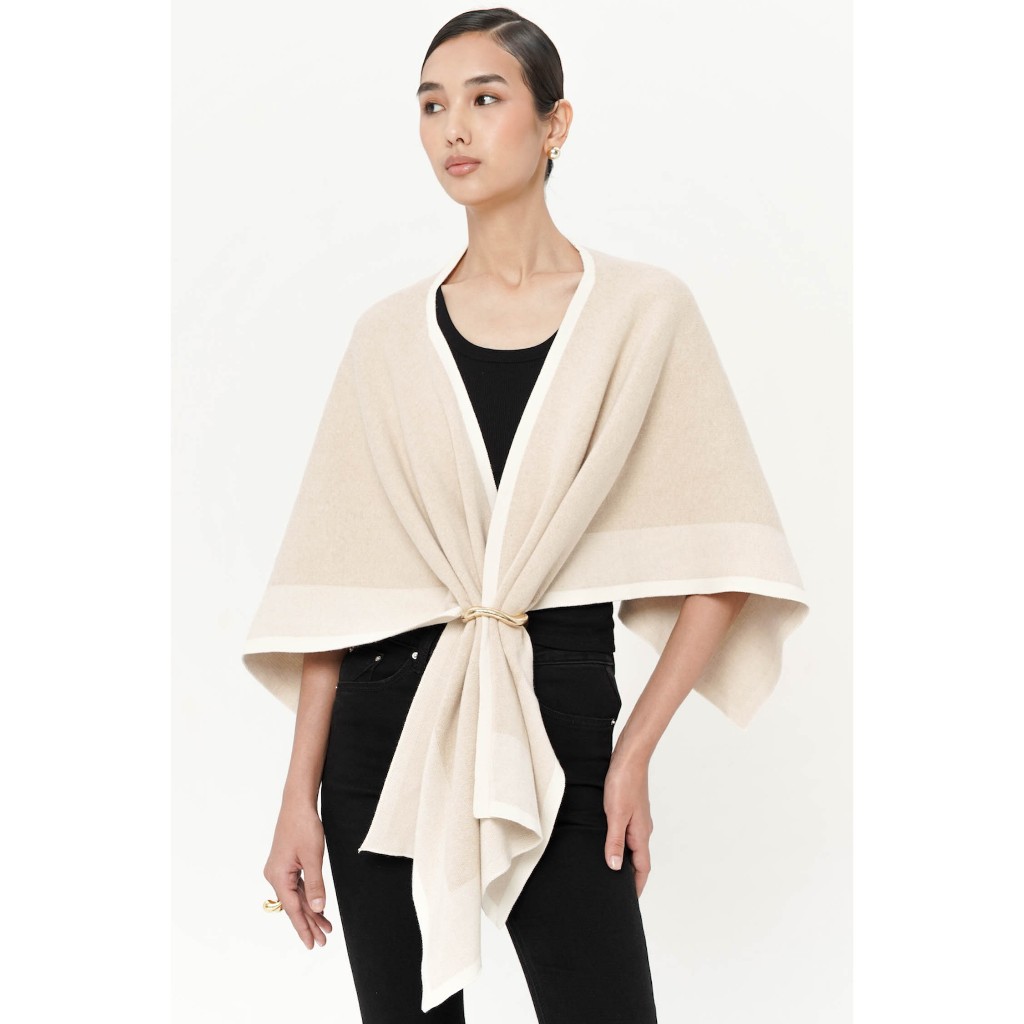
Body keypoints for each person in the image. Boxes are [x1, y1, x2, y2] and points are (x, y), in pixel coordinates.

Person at [251, 8, 808, 1023]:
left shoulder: (642, 313)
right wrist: (299, 796)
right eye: (431, 105)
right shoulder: (387, 339)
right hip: (383, 727)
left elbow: (726, 555)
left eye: (485, 97)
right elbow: (332, 591)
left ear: (554, 124)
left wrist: (631, 753)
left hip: (560, 706)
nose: (454, 128)